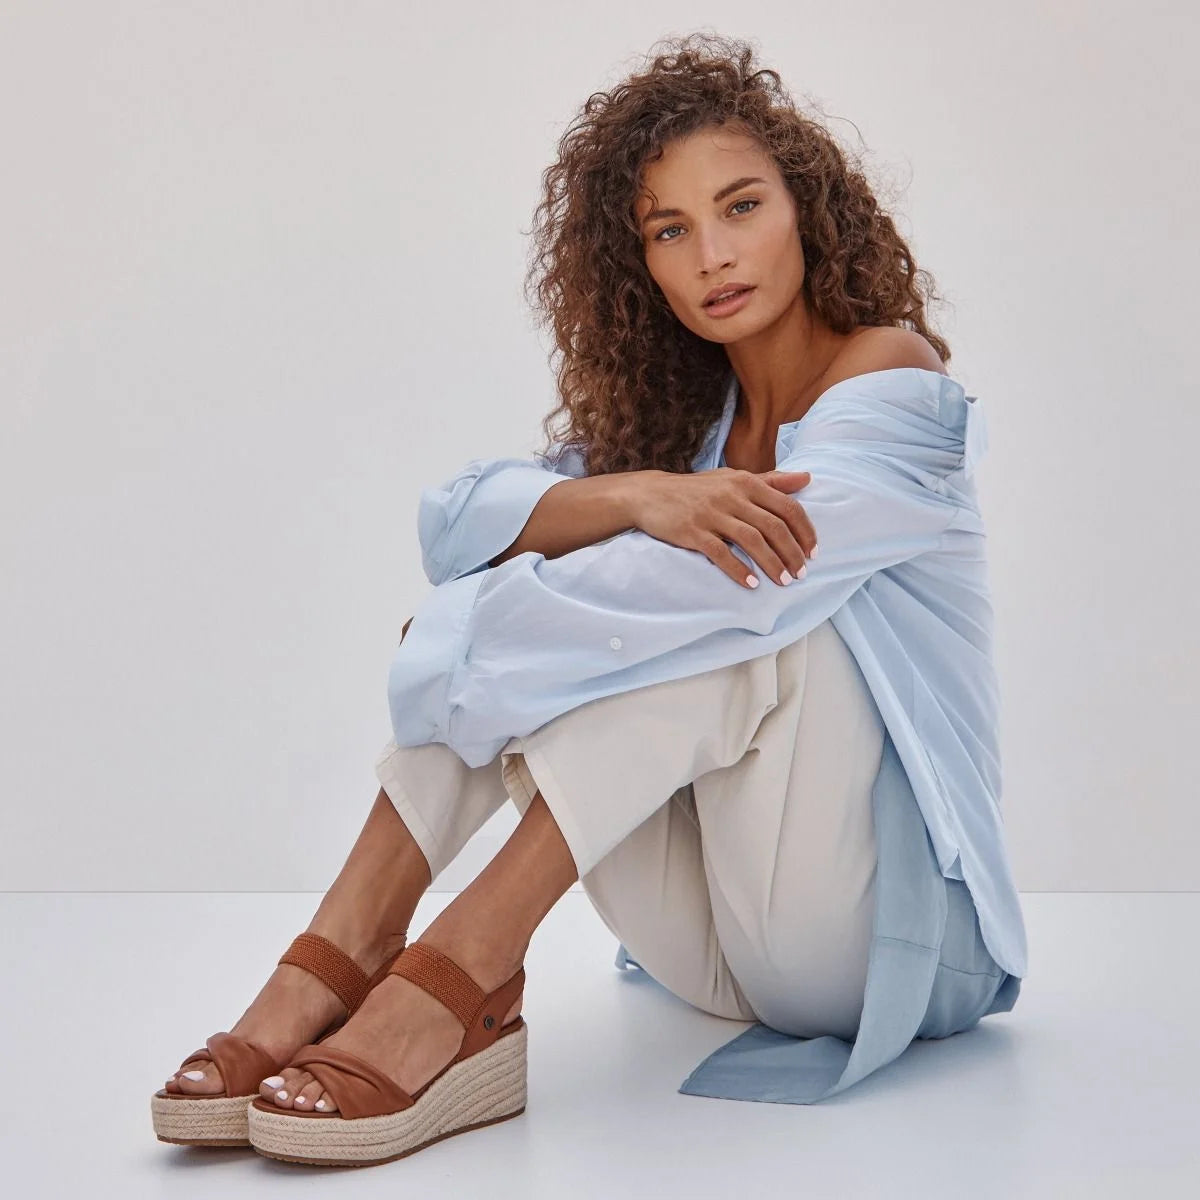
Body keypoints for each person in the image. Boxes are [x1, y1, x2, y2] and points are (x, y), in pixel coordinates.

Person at [153, 32, 1025, 1166]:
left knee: (731, 610)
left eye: (742, 206)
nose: (713, 254)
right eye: (670, 230)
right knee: (587, 589)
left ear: (806, 209)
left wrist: (465, 626)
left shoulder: (890, 383)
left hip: (895, 941)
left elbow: (725, 590)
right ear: (640, 268)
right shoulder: (682, 436)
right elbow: (456, 519)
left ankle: (457, 970)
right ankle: (350, 936)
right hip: (712, 950)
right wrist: (638, 493)